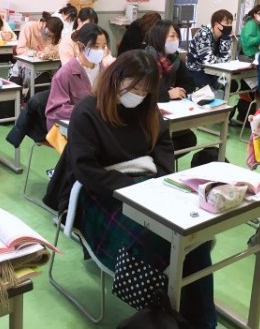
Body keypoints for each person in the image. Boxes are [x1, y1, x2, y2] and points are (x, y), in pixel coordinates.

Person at [49, 50, 216, 328]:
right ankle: (166, 310)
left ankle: (196, 318)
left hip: (147, 185)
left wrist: (158, 182)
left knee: (191, 234)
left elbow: (163, 147)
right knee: (156, 236)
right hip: (101, 191)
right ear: (116, 77)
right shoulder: (87, 111)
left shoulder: (147, 110)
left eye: (144, 90)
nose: (137, 95)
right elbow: (85, 170)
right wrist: (131, 190)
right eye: (133, 87)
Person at [145, 20, 197, 154]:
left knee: (188, 139)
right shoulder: (145, 59)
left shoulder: (175, 59)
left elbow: (189, 83)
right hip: (148, 116)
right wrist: (167, 94)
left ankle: (164, 161)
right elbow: (144, 92)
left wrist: (178, 91)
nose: (176, 40)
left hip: (171, 111)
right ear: (159, 37)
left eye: (177, 36)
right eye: (172, 36)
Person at [45, 23, 109, 129]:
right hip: (74, 127)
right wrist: (87, 111)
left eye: (103, 46)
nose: (100, 51)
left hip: (99, 125)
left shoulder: (105, 71)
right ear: (81, 45)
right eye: (95, 46)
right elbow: (55, 110)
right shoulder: (65, 74)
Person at [186, 9, 234, 89]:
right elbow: (208, 61)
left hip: (214, 70)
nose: (229, 26)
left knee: (229, 84)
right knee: (216, 88)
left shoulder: (224, 36)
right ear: (216, 24)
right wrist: (222, 61)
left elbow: (227, 60)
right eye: (227, 23)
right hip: (196, 70)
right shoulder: (203, 34)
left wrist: (226, 38)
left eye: (230, 23)